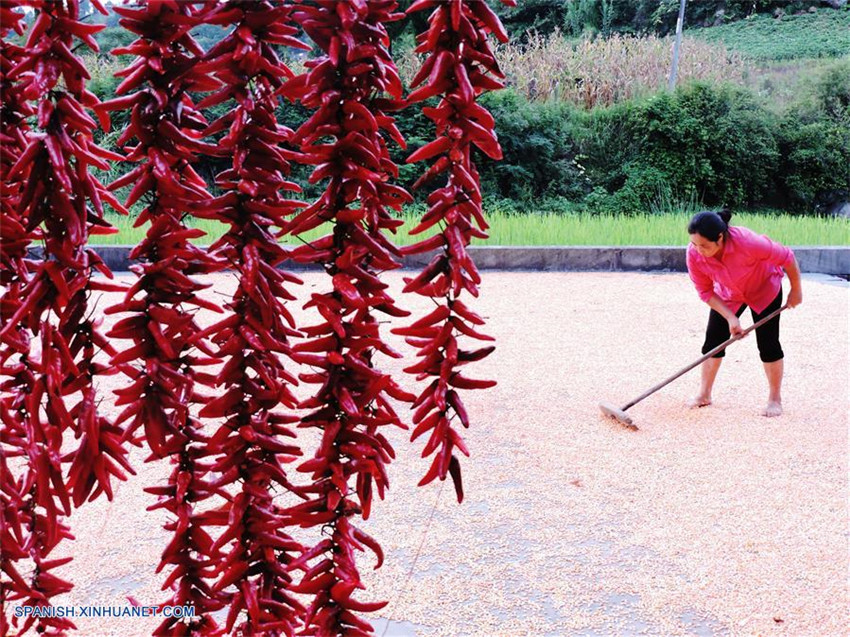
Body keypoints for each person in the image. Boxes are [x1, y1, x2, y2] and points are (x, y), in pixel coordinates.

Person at [686, 209, 802, 417]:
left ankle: (775, 399)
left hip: (764, 288)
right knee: (713, 341)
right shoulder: (694, 254)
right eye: (694, 244)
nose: (698, 250)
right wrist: (731, 317)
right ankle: (704, 394)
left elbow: (787, 256)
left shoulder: (748, 242)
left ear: (720, 238)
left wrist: (796, 289)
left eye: (704, 245)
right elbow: (705, 291)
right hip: (730, 294)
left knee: (768, 344)